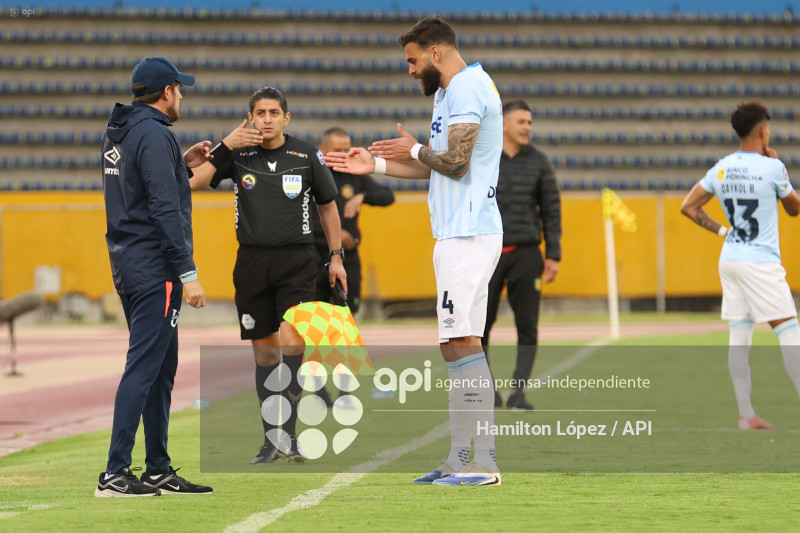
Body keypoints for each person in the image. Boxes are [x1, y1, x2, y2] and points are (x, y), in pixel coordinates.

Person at [325, 16, 503, 486]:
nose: (409, 70)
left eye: (412, 59)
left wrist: (416, 149)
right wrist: (378, 163)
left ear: (436, 52)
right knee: (453, 344)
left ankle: (481, 461)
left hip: (468, 233)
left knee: (463, 343)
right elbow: (437, 166)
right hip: (455, 232)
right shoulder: (448, 94)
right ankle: (459, 458)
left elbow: (457, 164)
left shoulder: (467, 88)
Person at [189, 87, 346, 464]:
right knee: (264, 356)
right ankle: (272, 441)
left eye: (274, 112)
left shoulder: (306, 154)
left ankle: (289, 436)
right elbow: (192, 182)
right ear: (251, 117)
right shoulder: (238, 154)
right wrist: (225, 145)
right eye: (260, 113)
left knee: (293, 343)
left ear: (285, 118)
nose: (267, 119)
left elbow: (327, 207)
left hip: (297, 260)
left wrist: (336, 256)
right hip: (252, 264)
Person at [97, 56, 213, 497]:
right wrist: (188, 272)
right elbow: (164, 208)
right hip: (156, 269)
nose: (181, 95)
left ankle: (158, 468)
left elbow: (140, 187)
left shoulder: (121, 130)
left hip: (128, 264)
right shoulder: (155, 133)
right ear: (166, 93)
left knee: (161, 368)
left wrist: (180, 163)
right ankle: (115, 472)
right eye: (179, 89)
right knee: (144, 368)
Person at [680, 101, 800, 430]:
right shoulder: (771, 167)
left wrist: (723, 231)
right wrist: (780, 168)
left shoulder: (721, 168)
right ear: (763, 132)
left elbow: (688, 207)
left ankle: (746, 414)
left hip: (730, 259)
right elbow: (794, 209)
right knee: (790, 333)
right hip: (760, 262)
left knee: (740, 336)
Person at [482, 100, 561, 411]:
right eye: (521, 121)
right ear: (503, 124)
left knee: (527, 325)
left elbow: (551, 210)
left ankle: (518, 392)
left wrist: (553, 254)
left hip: (527, 253)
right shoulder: (484, 158)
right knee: (480, 326)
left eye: (530, 122)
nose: (527, 127)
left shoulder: (539, 162)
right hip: (487, 254)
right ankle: (487, 389)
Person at [312, 127, 395, 407]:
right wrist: (333, 237)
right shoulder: (311, 173)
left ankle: (345, 390)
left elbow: (387, 196)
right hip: (314, 257)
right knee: (316, 325)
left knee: (347, 322)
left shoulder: (354, 176)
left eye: (347, 149)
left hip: (350, 260)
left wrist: (363, 196)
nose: (342, 155)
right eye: (336, 149)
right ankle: (318, 388)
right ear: (322, 149)